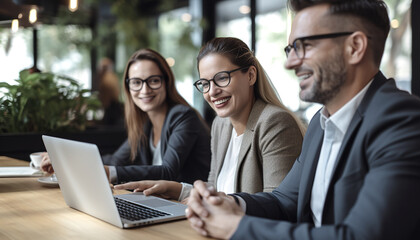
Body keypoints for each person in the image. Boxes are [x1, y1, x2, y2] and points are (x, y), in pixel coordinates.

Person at [185, 1, 420, 239]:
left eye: (305, 46)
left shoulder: (404, 121)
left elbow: (362, 234)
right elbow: (285, 201)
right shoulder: (320, 124)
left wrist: (235, 228)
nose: (290, 62)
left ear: (354, 47)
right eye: (290, 49)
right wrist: (229, 202)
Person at [114, 37, 305, 202]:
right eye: (205, 83)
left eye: (222, 78)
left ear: (251, 75)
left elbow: (277, 204)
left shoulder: (274, 122)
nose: (212, 91)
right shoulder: (221, 125)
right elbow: (215, 187)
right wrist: (178, 190)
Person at [42, 49, 211, 185]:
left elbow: (167, 172)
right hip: (163, 204)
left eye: (153, 81)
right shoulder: (146, 125)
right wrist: (67, 158)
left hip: (190, 208)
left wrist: (108, 172)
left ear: (166, 82)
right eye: (136, 82)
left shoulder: (182, 116)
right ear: (128, 87)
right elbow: (115, 159)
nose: (145, 90)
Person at [96, 57, 124, 126]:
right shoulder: (113, 77)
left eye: (102, 67)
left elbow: (106, 100)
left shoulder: (107, 79)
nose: (100, 69)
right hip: (114, 108)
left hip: (111, 109)